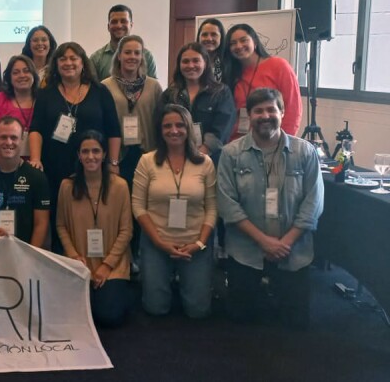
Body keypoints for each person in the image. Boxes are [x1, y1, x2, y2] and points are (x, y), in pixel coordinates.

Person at [217, 88, 323, 329]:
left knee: (296, 325)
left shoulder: (305, 152)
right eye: (258, 111)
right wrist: (264, 241)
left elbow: (313, 204)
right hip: (247, 250)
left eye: (270, 109)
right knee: (240, 319)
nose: (265, 116)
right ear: (249, 116)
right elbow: (227, 204)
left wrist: (284, 242)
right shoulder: (231, 153)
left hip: (292, 251)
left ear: (282, 112)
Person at [29, 42, 122, 254]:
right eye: (63, 59)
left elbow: (114, 130)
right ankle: (63, 260)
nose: (68, 63)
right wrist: (35, 158)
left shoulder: (100, 91)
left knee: (91, 214)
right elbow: (36, 129)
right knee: (59, 218)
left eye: (73, 58)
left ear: (83, 63)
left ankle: (94, 262)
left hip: (93, 167)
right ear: (56, 64)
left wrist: (114, 163)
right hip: (55, 167)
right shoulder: (46, 94)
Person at [132, 105, 217, 318]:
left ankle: (188, 283)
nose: (174, 130)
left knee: (198, 311)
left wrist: (198, 244)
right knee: (156, 308)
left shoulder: (205, 163)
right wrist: (160, 243)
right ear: (160, 130)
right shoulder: (147, 161)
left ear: (188, 128)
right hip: (156, 243)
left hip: (195, 243)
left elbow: (212, 208)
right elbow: (138, 207)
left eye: (180, 125)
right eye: (167, 126)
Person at [57, 130, 133, 327]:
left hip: (112, 265)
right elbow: (61, 225)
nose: (91, 156)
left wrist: (107, 265)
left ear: (105, 154)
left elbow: (126, 231)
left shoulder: (120, 186)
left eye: (96, 151)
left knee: (109, 316)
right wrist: (73, 256)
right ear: (78, 155)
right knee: (76, 316)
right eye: (85, 151)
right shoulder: (67, 186)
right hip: (79, 264)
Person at [0, 117, 50, 247]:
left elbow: (41, 223)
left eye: (14, 137)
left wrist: (30, 255)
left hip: (26, 252)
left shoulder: (37, 178)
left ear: (22, 140)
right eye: (3, 137)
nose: (8, 142)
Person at [159, 42, 236, 164]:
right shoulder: (169, 94)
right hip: (176, 158)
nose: (191, 65)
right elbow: (161, 126)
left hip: (211, 160)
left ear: (205, 63)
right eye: (185, 61)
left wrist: (201, 153)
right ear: (179, 65)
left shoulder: (221, 92)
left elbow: (222, 128)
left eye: (196, 61)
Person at [222, 23, 302, 140]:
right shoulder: (231, 73)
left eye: (243, 40)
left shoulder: (279, 66)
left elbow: (293, 108)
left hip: (271, 141)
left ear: (255, 42)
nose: (238, 46)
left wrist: (284, 143)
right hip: (238, 144)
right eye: (233, 43)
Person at [101, 35, 162, 185]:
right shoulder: (105, 86)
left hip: (148, 152)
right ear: (119, 56)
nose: (132, 57)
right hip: (118, 155)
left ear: (142, 57)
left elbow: (161, 121)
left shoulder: (154, 86)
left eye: (137, 53)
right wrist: (111, 161)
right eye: (127, 52)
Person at [0, 55, 38, 161]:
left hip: (37, 165)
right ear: (9, 77)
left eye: (26, 71)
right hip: (3, 165)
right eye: (16, 72)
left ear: (33, 74)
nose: (22, 75)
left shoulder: (43, 100)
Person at [90, 4, 157, 81]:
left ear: (131, 25)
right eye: (114, 22)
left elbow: (153, 89)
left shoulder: (147, 56)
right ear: (108, 27)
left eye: (123, 21)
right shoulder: (96, 59)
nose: (119, 25)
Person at [196, 18, 226, 83]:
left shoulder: (229, 62)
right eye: (204, 35)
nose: (209, 39)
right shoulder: (192, 61)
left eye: (214, 34)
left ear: (221, 38)